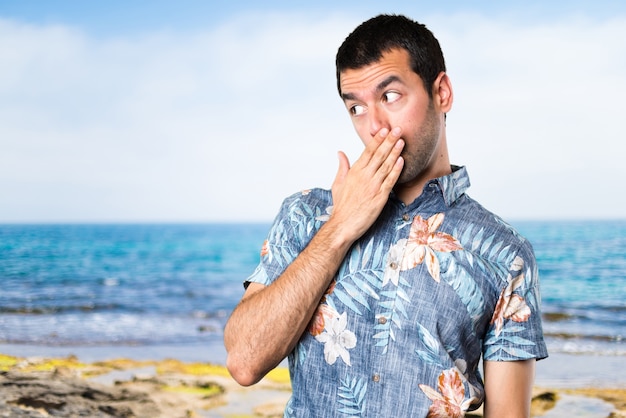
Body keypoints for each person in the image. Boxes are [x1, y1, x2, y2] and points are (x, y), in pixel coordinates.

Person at [224, 14, 547, 418]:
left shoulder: (505, 254)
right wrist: (340, 227)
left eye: (390, 96)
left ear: (441, 93)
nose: (374, 127)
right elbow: (244, 361)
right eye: (356, 107)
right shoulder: (305, 215)